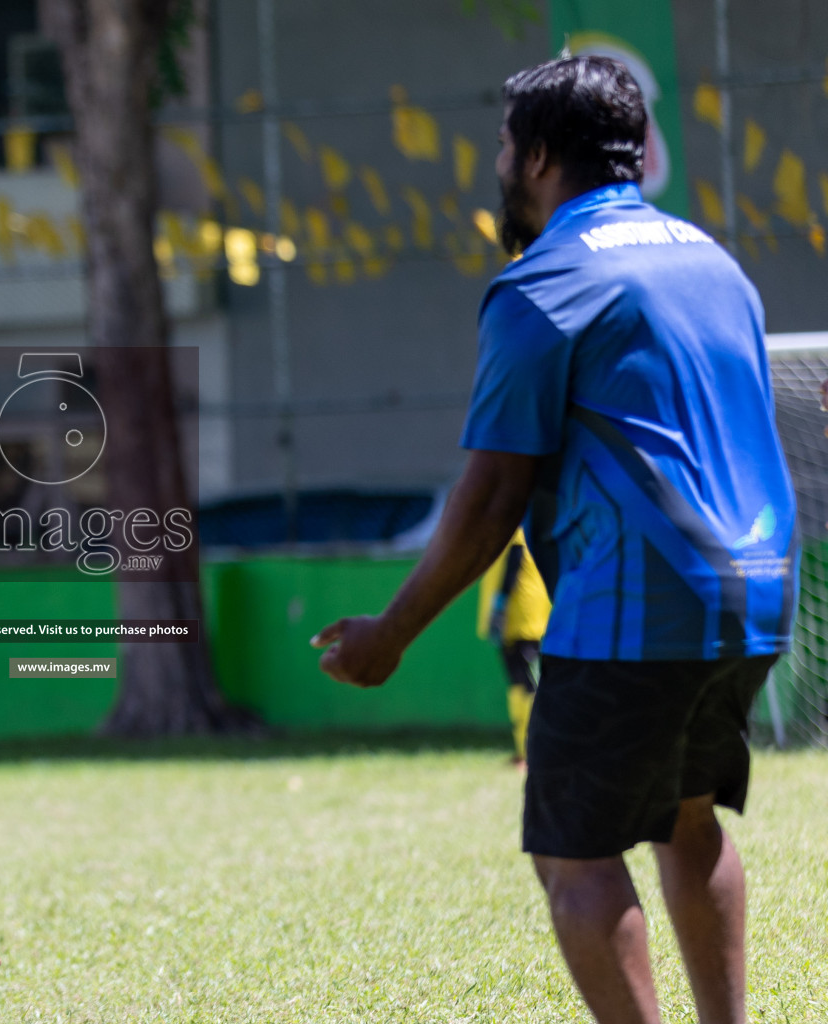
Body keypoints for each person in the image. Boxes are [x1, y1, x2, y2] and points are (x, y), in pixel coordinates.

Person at [312, 57, 795, 1024]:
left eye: (501, 144)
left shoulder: (545, 284)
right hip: (759, 589)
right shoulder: (714, 261)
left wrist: (392, 633)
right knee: (688, 819)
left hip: (639, 599)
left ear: (535, 155)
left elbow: (492, 494)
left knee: (575, 852)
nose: (497, 161)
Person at [476, 527, 549, 766]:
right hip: (518, 619)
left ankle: (530, 752)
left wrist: (500, 605)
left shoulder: (515, 530)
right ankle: (523, 751)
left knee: (526, 683)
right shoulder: (515, 529)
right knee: (519, 682)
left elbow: (514, 565)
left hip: (521, 618)